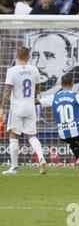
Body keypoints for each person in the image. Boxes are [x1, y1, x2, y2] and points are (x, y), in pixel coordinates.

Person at [0, 46, 47, 175]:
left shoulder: (12, 71)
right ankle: (41, 158)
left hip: (17, 107)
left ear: (17, 56)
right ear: (29, 57)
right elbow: (38, 90)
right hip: (30, 107)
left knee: (13, 136)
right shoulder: (34, 70)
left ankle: (14, 168)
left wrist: (2, 108)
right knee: (32, 136)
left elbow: (7, 90)